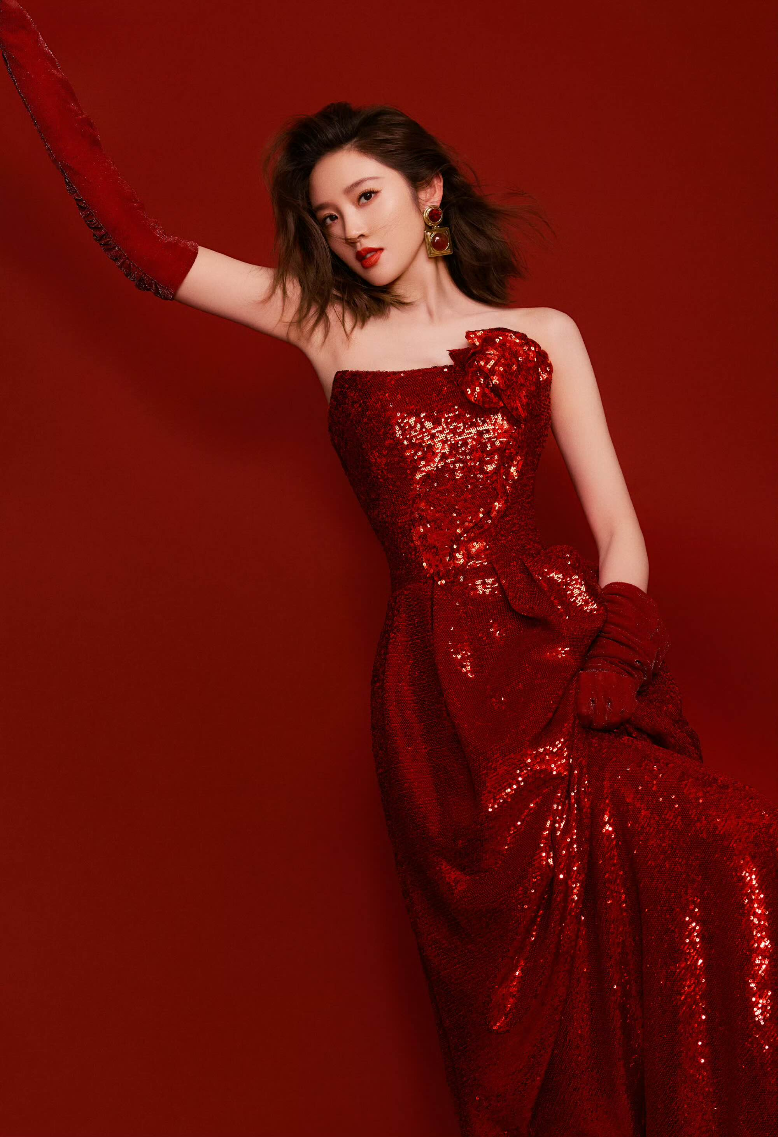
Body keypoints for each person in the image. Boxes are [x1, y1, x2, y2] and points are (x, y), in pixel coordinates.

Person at [2, 3, 776, 1134]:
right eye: (328, 216)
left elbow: (620, 528)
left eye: (366, 197)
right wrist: (21, 48)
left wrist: (616, 656)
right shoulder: (324, 328)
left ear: (428, 193)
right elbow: (142, 245)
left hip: (561, 667)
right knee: (514, 1006)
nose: (350, 230)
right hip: (437, 700)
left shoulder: (545, 333)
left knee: (724, 849)